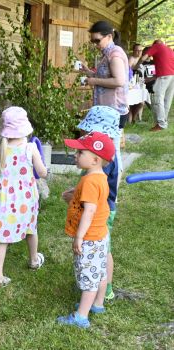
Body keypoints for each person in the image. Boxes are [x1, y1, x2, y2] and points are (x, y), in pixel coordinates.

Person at [0, 107, 48, 288]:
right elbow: (42, 173)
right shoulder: (31, 147)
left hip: (3, 200)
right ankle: (34, 260)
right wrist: (45, 170)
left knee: (1, 238)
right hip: (25, 199)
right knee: (31, 228)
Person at [61, 106, 120, 301]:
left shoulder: (103, 163)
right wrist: (77, 193)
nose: (86, 134)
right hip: (101, 209)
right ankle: (99, 292)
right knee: (103, 250)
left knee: (104, 252)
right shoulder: (101, 161)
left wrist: (79, 201)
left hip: (99, 214)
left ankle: (104, 288)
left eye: (89, 132)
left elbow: (92, 202)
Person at [57, 132, 115, 329]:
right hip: (100, 234)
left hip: (89, 237)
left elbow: (89, 211)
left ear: (95, 159)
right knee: (99, 272)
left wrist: (79, 237)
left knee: (89, 277)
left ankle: (81, 317)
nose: (75, 155)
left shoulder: (90, 181)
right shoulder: (98, 176)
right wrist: (74, 195)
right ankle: (97, 304)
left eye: (80, 152)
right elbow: (95, 200)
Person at [80, 20, 128, 179]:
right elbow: (104, 77)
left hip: (113, 111)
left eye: (97, 40)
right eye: (92, 41)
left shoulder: (115, 54)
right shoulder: (106, 53)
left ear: (108, 36)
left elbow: (119, 81)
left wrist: (95, 81)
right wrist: (89, 73)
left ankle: (113, 192)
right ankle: (104, 186)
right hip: (106, 110)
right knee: (106, 151)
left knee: (113, 152)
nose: (95, 44)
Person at [137, 39, 174, 131]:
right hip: (172, 76)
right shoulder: (169, 49)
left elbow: (143, 58)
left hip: (164, 77)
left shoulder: (156, 46)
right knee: (167, 100)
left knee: (158, 99)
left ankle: (160, 124)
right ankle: (163, 122)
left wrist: (136, 65)